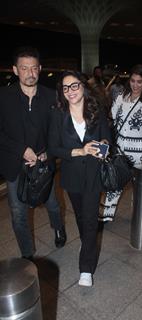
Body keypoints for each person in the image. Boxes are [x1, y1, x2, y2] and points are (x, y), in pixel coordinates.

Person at [0, 46, 67, 260]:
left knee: (52, 203)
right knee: (18, 213)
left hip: (43, 161)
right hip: (14, 163)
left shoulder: (51, 96)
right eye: (24, 68)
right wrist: (22, 150)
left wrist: (47, 151)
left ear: (40, 69)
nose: (30, 73)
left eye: (34, 68)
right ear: (15, 70)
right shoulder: (3, 96)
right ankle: (27, 255)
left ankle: (58, 228)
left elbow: (59, 130)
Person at [48, 70, 111, 286]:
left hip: (94, 174)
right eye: (65, 88)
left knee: (91, 219)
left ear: (83, 86)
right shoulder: (58, 115)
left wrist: (102, 147)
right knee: (82, 218)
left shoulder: (97, 110)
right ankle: (88, 243)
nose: (70, 91)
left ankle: (86, 269)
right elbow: (54, 148)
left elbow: (107, 138)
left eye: (74, 85)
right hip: (72, 176)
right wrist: (80, 151)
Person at [99, 64, 142, 222]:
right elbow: (112, 119)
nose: (135, 85)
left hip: (141, 152)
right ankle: (107, 216)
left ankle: (139, 216)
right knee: (115, 182)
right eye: (133, 81)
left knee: (139, 187)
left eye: (139, 82)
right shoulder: (120, 97)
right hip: (120, 149)